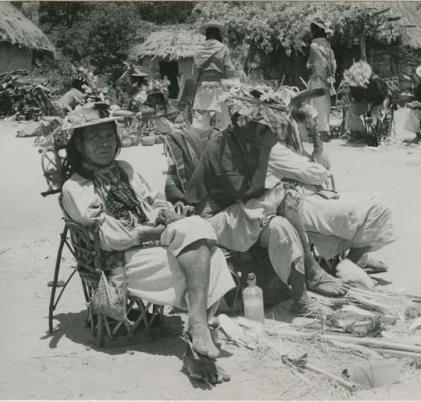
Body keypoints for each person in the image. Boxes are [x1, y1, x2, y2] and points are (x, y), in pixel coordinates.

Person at [60, 103, 235, 384]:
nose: (104, 143)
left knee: (203, 243)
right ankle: (200, 329)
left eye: (108, 135)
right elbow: (106, 237)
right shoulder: (76, 186)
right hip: (121, 260)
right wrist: (146, 234)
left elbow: (153, 201)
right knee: (208, 257)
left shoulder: (125, 169)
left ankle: (197, 336)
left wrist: (166, 212)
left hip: (153, 247)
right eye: (94, 138)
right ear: (79, 145)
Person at [186, 86, 348, 315]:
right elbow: (242, 191)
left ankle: (300, 296)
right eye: (267, 129)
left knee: (282, 225)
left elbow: (253, 193)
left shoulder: (250, 143)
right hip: (213, 220)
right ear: (246, 124)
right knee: (284, 199)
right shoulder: (222, 147)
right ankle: (312, 272)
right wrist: (268, 165)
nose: (274, 134)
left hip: (241, 213)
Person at [268, 100, 395, 274]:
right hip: (299, 204)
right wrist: (315, 168)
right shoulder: (276, 149)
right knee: (378, 208)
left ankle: (357, 258)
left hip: (314, 197)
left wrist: (317, 142)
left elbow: (324, 166)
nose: (313, 129)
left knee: (378, 198)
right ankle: (349, 267)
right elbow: (319, 173)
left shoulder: (292, 147)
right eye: (309, 126)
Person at [192, 22, 238, 131]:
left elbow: (195, 74)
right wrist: (232, 86)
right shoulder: (223, 48)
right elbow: (229, 69)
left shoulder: (198, 50)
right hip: (218, 89)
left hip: (203, 90)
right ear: (218, 35)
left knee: (201, 124)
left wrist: (196, 85)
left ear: (206, 35)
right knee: (223, 124)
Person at [343, 61, 391, 146]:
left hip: (380, 101)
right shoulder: (355, 83)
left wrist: (370, 107)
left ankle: (375, 134)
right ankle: (358, 132)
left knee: (374, 114)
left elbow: (381, 97)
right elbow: (358, 98)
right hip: (367, 101)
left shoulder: (375, 81)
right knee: (353, 108)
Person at [307, 17, 337, 142]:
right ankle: (325, 131)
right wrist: (331, 78)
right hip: (328, 79)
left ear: (315, 31)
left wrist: (322, 77)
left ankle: (318, 132)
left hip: (318, 79)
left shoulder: (314, 46)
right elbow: (333, 63)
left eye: (311, 29)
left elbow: (320, 65)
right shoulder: (327, 46)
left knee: (316, 105)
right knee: (325, 105)